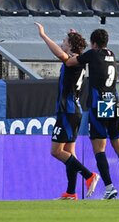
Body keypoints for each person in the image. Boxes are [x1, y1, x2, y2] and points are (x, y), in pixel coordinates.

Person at [59, 28, 119, 200]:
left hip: (99, 103)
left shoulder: (93, 54)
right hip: (113, 101)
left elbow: (70, 62)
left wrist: (72, 45)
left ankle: (109, 188)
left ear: (94, 43)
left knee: (99, 149)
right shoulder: (112, 54)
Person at [35, 23, 99, 200]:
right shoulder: (77, 60)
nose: (62, 43)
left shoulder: (72, 62)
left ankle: (89, 175)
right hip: (73, 112)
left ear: (70, 46)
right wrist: (74, 34)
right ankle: (71, 193)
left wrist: (43, 35)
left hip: (67, 112)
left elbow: (60, 54)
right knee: (69, 154)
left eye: (64, 41)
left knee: (56, 151)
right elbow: (69, 52)